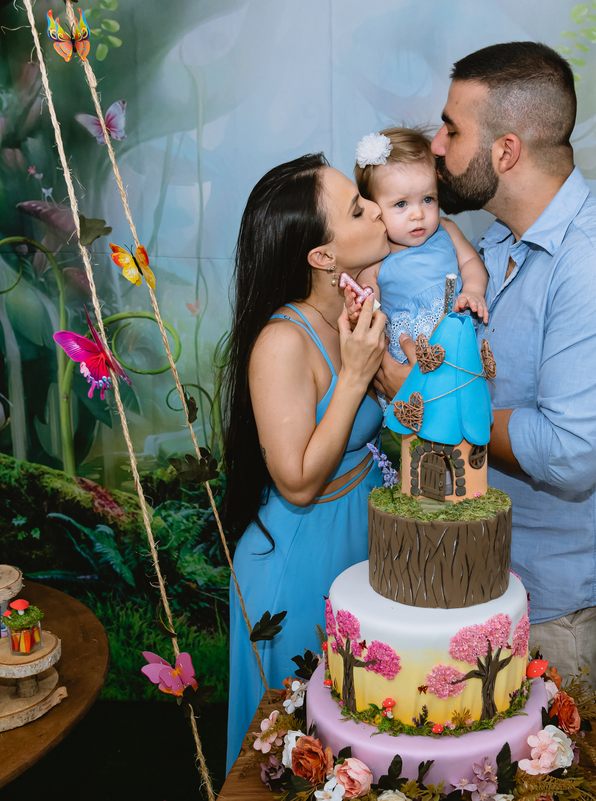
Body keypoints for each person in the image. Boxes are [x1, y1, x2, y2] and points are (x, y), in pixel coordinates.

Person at [376, 42, 596, 688]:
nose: (435, 144)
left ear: (505, 151)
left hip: (547, 611)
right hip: (470, 573)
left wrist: (435, 407)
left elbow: (568, 450)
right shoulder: (494, 246)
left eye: (453, 129)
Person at [220, 154, 389, 769]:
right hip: (298, 560)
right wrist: (354, 374)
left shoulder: (347, 307)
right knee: (300, 751)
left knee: (360, 740)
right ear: (322, 256)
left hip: (351, 538)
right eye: (356, 208)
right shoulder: (283, 341)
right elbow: (294, 481)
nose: (376, 208)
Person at [350, 125, 489, 369]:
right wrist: (363, 311)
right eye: (401, 204)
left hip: (459, 334)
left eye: (428, 199)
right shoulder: (376, 255)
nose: (417, 214)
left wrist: (474, 290)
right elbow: (368, 302)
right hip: (410, 352)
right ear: (374, 207)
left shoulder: (446, 229)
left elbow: (470, 262)